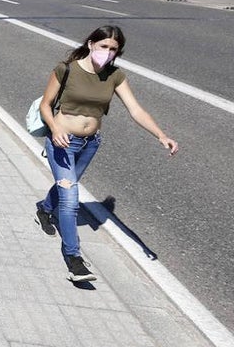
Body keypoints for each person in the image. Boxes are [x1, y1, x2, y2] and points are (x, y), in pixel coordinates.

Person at [34, 25, 178, 282]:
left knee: (68, 186)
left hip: (90, 143)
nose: (108, 52)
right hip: (63, 142)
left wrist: (161, 135)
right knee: (70, 199)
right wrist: (55, 129)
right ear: (91, 44)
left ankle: (44, 209)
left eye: (113, 49)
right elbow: (46, 105)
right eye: (104, 46)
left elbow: (136, 110)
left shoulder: (115, 76)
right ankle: (74, 259)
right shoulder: (66, 69)